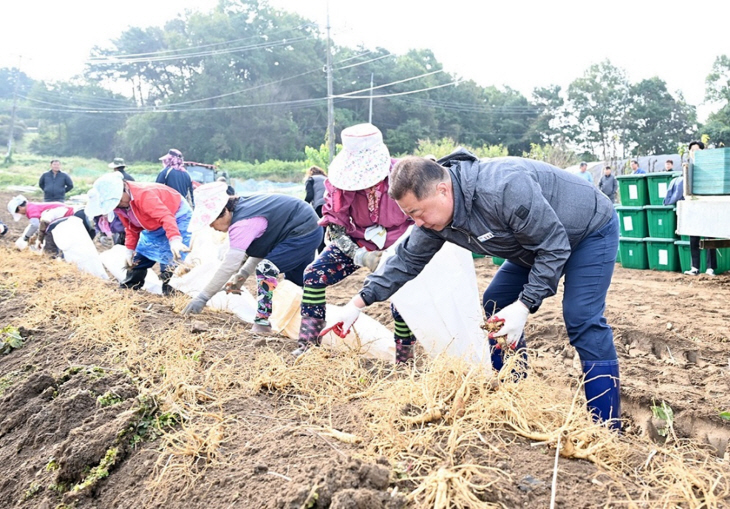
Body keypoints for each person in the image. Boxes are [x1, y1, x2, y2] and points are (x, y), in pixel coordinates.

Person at [331, 151, 621, 429]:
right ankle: (513, 395)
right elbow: (405, 260)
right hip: (531, 244)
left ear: (443, 191)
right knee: (495, 303)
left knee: (581, 317)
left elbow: (554, 247)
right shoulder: (435, 218)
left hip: (587, 232)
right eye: (410, 216)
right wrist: (355, 305)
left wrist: (524, 305)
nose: (416, 223)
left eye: (417, 213)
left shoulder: (503, 188)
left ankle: (606, 426)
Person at [293, 123, 416, 364]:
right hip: (359, 241)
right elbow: (336, 227)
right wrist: (360, 256)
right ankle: (308, 343)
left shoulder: (405, 175)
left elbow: (420, 220)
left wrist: (399, 252)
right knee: (314, 275)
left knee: (402, 294)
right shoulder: (340, 183)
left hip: (403, 241)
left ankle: (405, 356)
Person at [181, 182, 323, 334]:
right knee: (295, 285)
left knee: (266, 269)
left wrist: (202, 298)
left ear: (225, 211)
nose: (210, 226)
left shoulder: (242, 224)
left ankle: (262, 323)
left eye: (211, 221)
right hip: (304, 227)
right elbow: (263, 248)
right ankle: (306, 328)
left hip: (303, 230)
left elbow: (230, 265)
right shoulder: (242, 207)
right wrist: (242, 276)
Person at [85, 173, 192, 295]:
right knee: (139, 258)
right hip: (153, 225)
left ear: (125, 189)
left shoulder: (143, 195)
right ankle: (129, 288)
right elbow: (131, 228)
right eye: (116, 202)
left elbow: (165, 217)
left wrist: (175, 240)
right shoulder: (121, 207)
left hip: (177, 218)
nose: (120, 204)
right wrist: (129, 250)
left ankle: (172, 294)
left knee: (171, 260)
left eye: (119, 200)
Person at [665, 141, 716, 276]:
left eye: (697, 150)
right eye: (692, 150)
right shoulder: (688, 167)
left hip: (707, 204)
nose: (694, 152)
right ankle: (695, 267)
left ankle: (710, 268)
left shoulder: (709, 167)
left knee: (710, 235)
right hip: (693, 205)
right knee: (694, 236)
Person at [6, 195, 74, 250]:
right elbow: (40, 225)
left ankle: (50, 256)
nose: (20, 214)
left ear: (19, 207)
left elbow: (35, 225)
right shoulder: (32, 206)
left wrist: (26, 238)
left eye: (17, 212)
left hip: (65, 214)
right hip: (63, 214)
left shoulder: (31, 209)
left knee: (49, 236)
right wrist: (35, 236)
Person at [304, 165, 327, 253]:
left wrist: (303, 206)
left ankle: (321, 255)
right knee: (331, 232)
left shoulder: (311, 179)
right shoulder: (326, 178)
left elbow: (309, 195)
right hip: (332, 206)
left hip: (320, 206)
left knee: (320, 231)